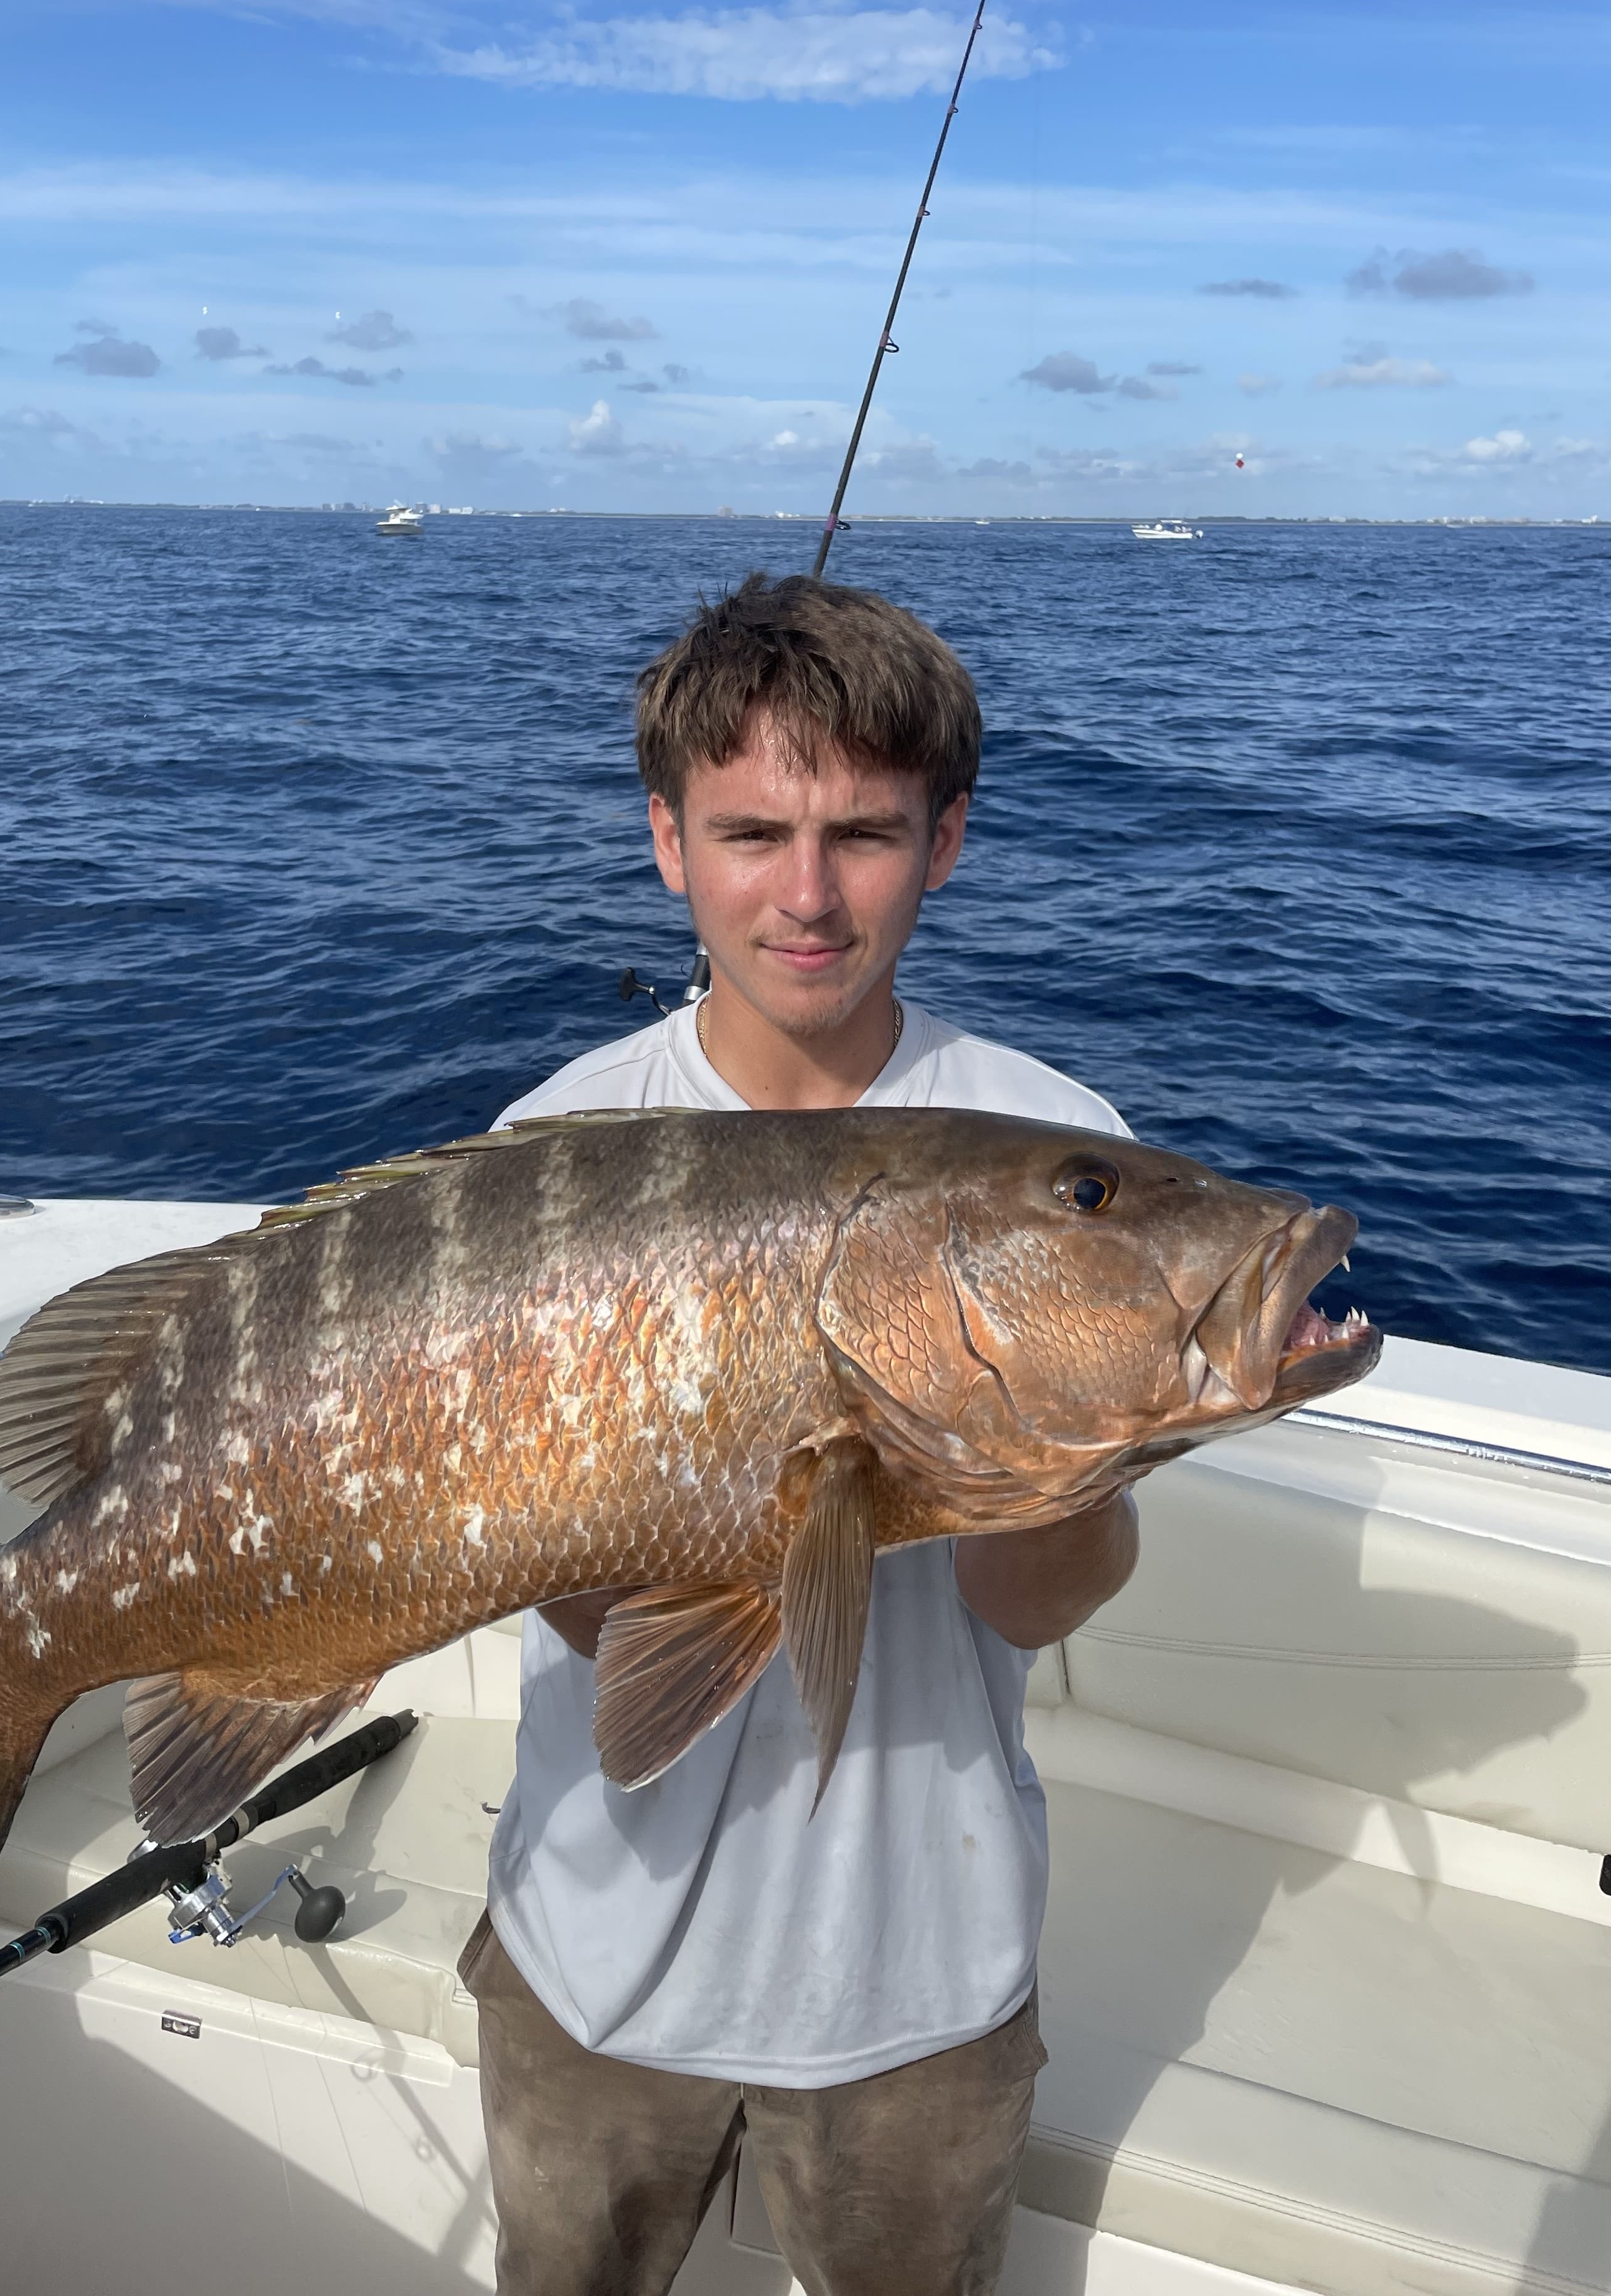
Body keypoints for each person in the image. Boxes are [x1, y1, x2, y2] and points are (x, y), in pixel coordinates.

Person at [460, 570, 1140, 2296]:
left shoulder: (1056, 1145)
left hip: (922, 1983)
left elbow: (1042, 1606)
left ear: (950, 840)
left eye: (868, 833)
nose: (811, 895)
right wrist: (571, 1514)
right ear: (667, 845)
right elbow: (594, 1622)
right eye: (753, 831)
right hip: (591, 1962)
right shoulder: (555, 1145)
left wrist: (1030, 1428)